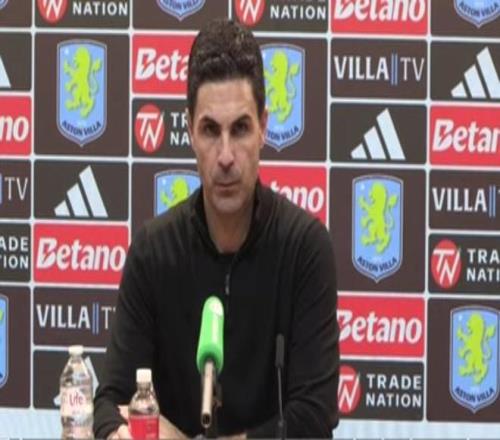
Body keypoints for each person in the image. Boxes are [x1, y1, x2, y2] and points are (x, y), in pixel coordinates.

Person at [94, 18, 339, 439]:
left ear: (264, 128)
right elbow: (109, 403)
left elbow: (314, 419)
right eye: (210, 130)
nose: (225, 156)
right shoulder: (154, 251)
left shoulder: (304, 248)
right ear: (189, 130)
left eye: (240, 129)